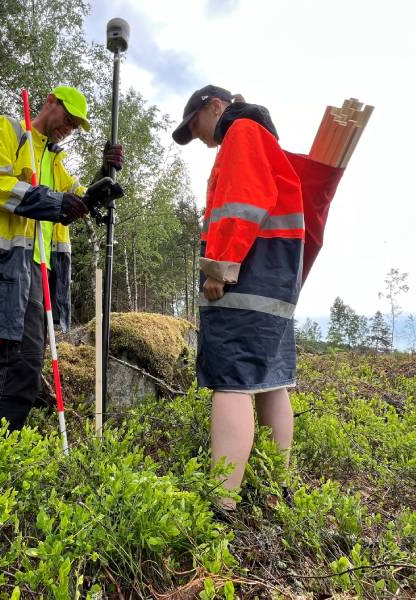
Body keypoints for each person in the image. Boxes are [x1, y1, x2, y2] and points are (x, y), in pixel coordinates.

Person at [0, 85, 124, 431]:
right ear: (50, 103)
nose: (69, 128)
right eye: (68, 118)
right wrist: (54, 203)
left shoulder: (53, 160)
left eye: (76, 126)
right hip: (6, 263)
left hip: (40, 269)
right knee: (18, 357)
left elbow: (79, 199)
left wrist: (104, 174)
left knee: (21, 357)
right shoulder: (8, 131)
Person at [172, 85, 302, 509]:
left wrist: (220, 266)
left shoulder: (242, 132)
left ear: (215, 107)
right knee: (271, 381)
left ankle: (221, 504)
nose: (202, 139)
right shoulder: (266, 139)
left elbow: (240, 204)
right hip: (275, 278)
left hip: (245, 274)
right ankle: (276, 488)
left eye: (197, 127)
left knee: (231, 383)